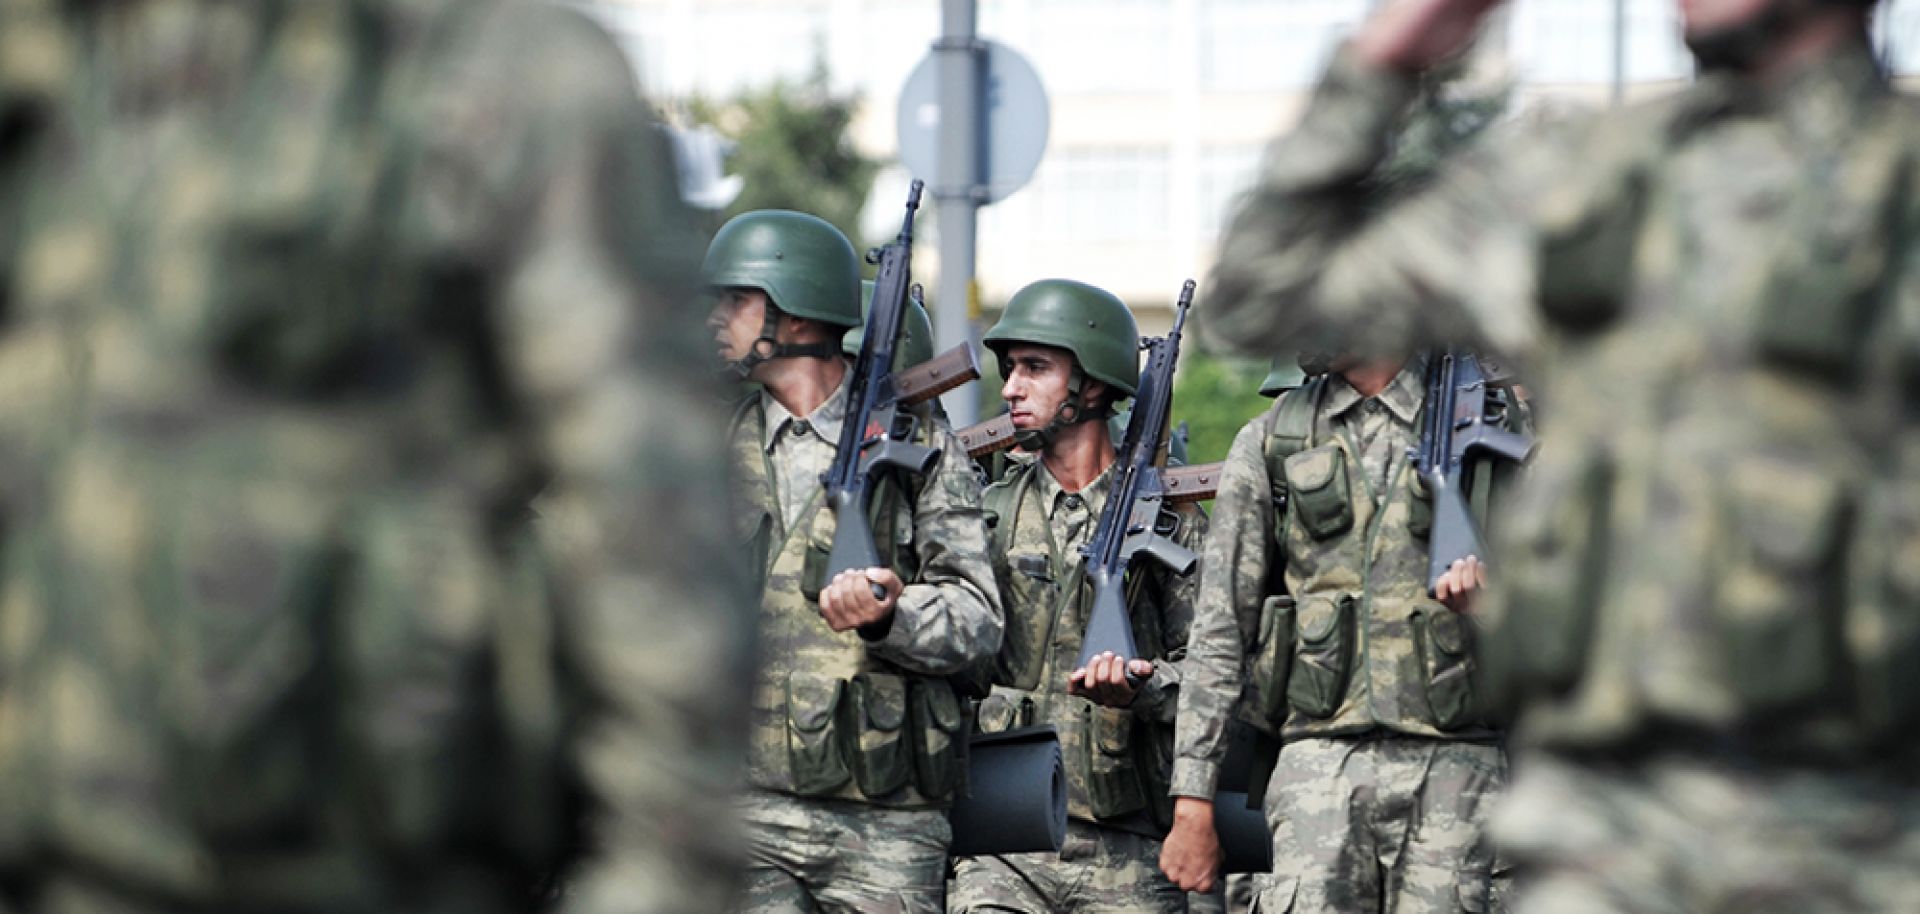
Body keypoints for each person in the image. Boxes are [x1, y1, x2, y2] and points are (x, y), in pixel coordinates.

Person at [0, 2, 752, 913]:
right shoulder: (48, 54)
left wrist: (661, 879)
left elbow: (655, 514)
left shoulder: (491, 67)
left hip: (347, 852)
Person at [1195, 0, 1920, 910]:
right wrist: (1383, 63)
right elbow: (1260, 299)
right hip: (1600, 828)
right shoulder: (1585, 175)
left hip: (1867, 825)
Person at [707, 209, 1002, 914]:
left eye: (735, 300)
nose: (715, 319)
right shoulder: (713, 445)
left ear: (798, 313)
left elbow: (980, 619)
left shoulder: (919, 444)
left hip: (888, 816)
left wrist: (891, 616)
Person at [1161, 348, 1510, 914]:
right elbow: (1220, 630)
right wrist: (1193, 799)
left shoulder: (1491, 426)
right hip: (1315, 767)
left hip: (1456, 765)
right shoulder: (1273, 439)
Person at [949, 278, 1211, 914]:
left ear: (1091, 385)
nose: (1010, 388)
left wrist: (1144, 686)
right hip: (1005, 844)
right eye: (1010, 370)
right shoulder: (988, 513)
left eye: (1035, 369)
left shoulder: (1171, 520)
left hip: (1130, 847)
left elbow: (1221, 676)